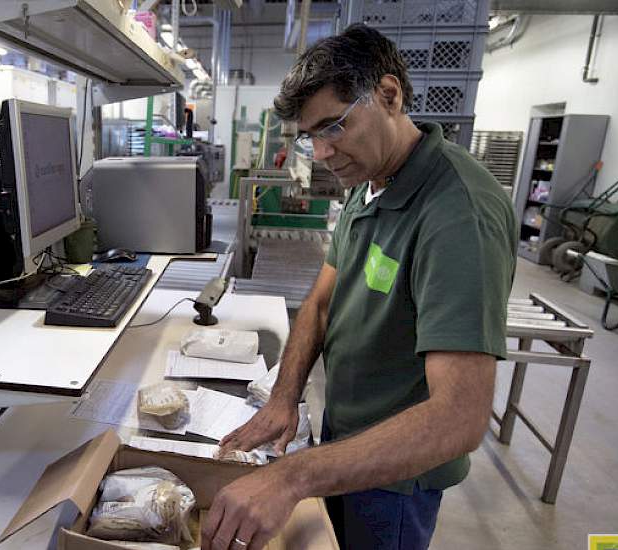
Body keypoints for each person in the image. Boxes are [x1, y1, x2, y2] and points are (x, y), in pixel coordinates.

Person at [201, 24, 517, 550]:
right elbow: (323, 302)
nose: (322, 153)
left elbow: (459, 417)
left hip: (394, 479)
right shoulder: (371, 183)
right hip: (343, 443)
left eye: (334, 127)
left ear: (389, 95)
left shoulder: (457, 214)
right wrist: (283, 397)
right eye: (310, 136)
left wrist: (292, 476)